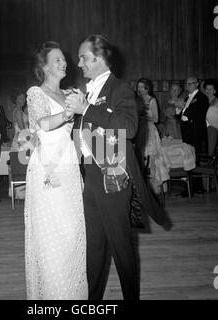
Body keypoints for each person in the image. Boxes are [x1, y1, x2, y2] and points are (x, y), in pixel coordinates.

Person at [65, 35, 168, 300]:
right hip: (91, 175)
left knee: (121, 248)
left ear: (99, 59)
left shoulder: (120, 88)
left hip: (112, 176)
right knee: (95, 248)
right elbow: (86, 131)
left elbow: (129, 128)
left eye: (83, 57)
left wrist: (86, 108)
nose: (79, 63)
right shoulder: (89, 89)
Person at [24, 41, 87, 299]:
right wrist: (69, 114)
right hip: (48, 168)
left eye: (64, 59)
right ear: (44, 67)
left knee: (72, 232)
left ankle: (73, 292)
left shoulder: (71, 94)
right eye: (57, 59)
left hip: (69, 167)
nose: (64, 63)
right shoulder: (35, 93)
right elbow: (42, 124)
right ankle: (53, 294)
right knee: (52, 234)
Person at [134, 78, 169, 194]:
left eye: (142, 87)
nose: (140, 89)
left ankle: (154, 187)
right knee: (141, 158)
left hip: (149, 130)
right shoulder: (136, 100)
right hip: (139, 129)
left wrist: (144, 116)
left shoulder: (152, 100)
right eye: (138, 87)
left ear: (147, 88)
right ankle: (142, 188)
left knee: (151, 158)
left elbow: (156, 119)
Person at [175, 76, 209, 196]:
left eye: (191, 83)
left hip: (195, 134)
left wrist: (183, 108)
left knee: (193, 160)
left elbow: (198, 114)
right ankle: (198, 188)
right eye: (187, 84)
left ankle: (191, 189)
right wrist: (178, 109)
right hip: (188, 133)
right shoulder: (186, 97)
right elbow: (180, 115)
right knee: (191, 160)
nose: (188, 86)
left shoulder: (201, 97)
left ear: (197, 84)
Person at [10, 91, 30, 200]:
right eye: (21, 98)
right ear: (16, 100)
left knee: (26, 165)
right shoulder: (17, 111)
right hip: (21, 140)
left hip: (25, 139)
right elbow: (23, 129)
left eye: (24, 98)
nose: (23, 100)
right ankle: (20, 193)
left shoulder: (22, 111)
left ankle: (25, 192)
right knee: (22, 165)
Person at [203, 79, 218, 156]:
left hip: (213, 126)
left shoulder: (217, 101)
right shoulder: (203, 99)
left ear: (215, 90)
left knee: (211, 148)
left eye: (211, 89)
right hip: (204, 126)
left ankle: (210, 160)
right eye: (207, 89)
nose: (208, 91)